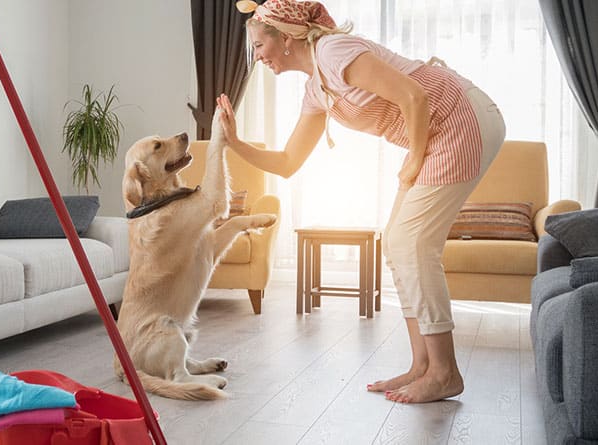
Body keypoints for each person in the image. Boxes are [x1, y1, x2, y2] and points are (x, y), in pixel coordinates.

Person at [216, 0, 506, 403]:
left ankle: (445, 372)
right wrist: (235, 142)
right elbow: (287, 163)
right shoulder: (316, 89)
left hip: (461, 118)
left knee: (414, 244)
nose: (257, 56)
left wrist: (414, 160)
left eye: (258, 46)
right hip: (436, 132)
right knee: (398, 244)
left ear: (284, 39)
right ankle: (423, 366)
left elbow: (414, 96)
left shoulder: (334, 52)